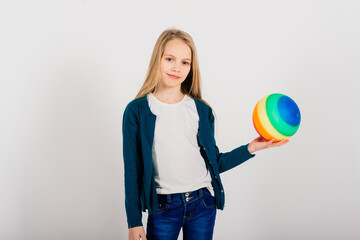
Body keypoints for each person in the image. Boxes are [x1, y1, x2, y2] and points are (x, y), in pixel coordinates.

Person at [122, 28, 288, 240]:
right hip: (162, 208)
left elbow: (214, 163)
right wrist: (133, 221)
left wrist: (252, 147)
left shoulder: (201, 110)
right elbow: (132, 171)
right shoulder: (137, 111)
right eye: (170, 59)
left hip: (202, 204)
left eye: (185, 62)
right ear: (158, 59)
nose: (177, 68)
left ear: (191, 67)